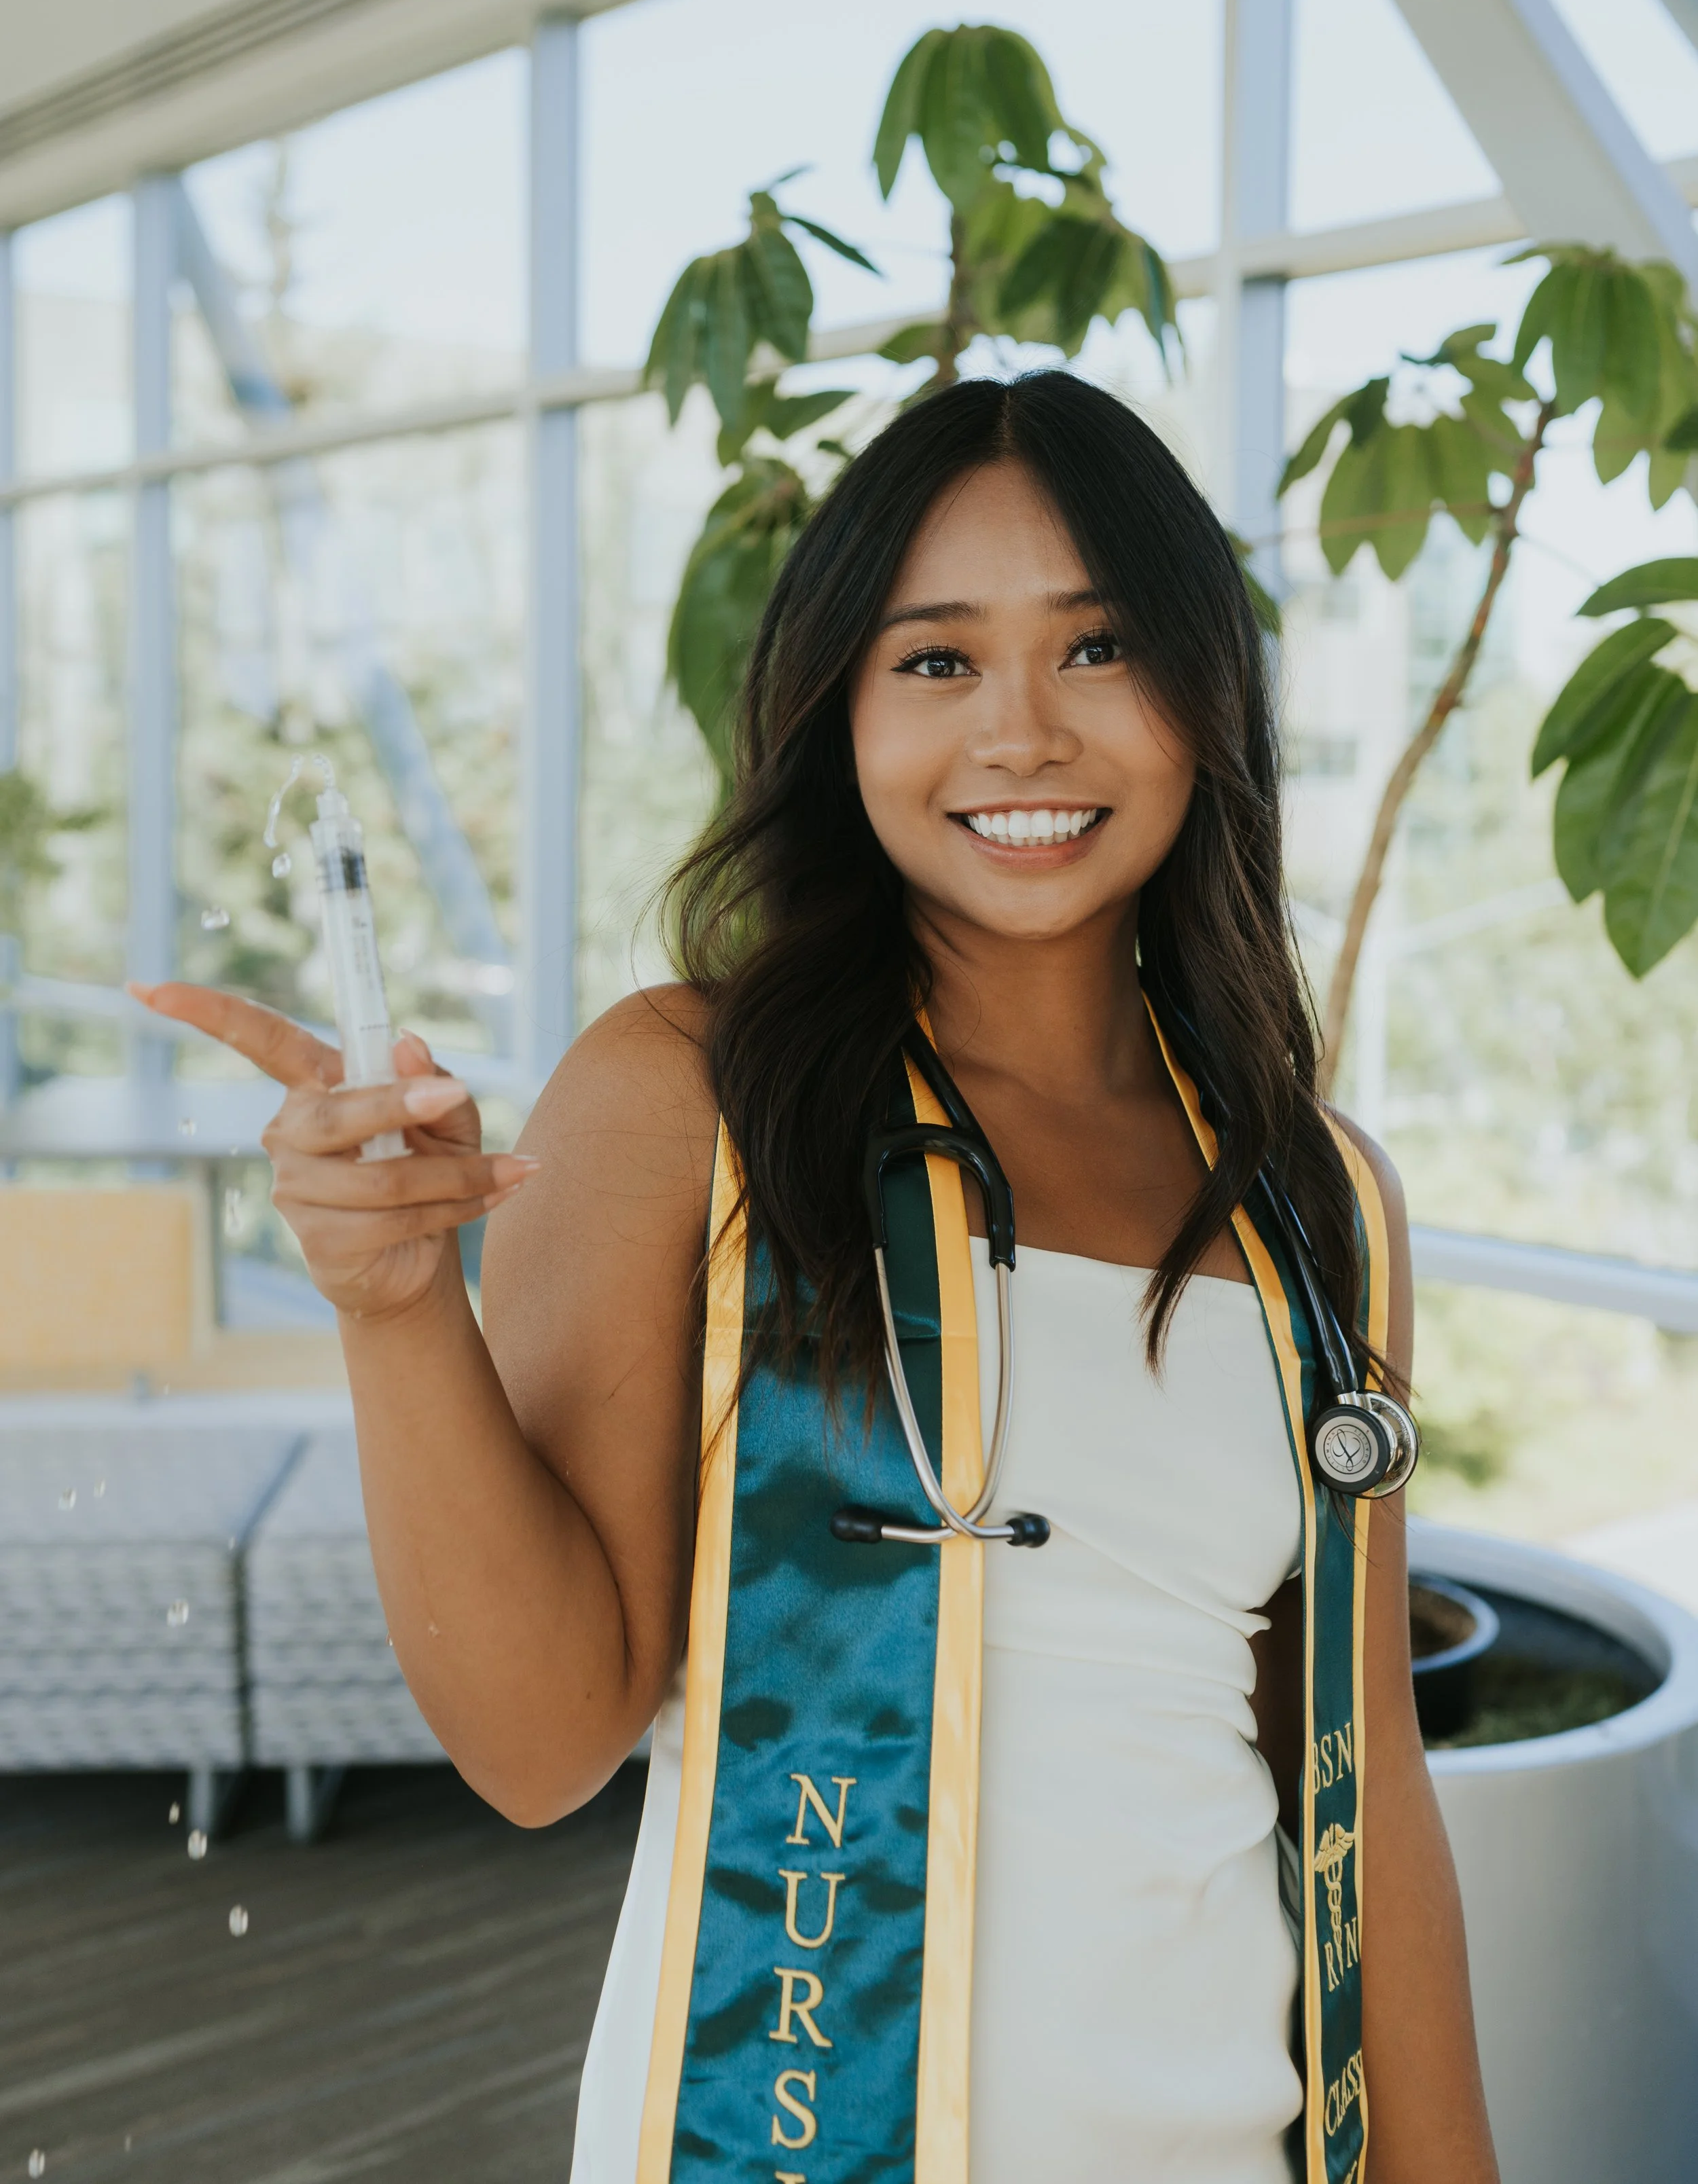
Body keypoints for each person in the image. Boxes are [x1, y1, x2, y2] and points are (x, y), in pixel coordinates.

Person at [136, 370, 1498, 2184]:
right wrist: (395, 1308)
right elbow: (541, 1740)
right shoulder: (688, 1096)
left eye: (1094, 649)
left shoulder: (1315, 1199)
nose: (1019, 732)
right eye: (934, 660)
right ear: (834, 714)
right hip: (778, 2132)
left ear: (1204, 694)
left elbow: (1364, 1782)